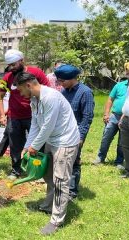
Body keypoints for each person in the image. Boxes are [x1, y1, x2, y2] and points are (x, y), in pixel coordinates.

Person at [15, 72, 80, 235]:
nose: (21, 94)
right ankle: (48, 206)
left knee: (60, 180)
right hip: (51, 140)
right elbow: (36, 125)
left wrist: (35, 147)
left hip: (65, 142)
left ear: (29, 85)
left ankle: (56, 220)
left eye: (21, 90)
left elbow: (47, 126)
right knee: (49, 176)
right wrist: (27, 145)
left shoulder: (50, 97)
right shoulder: (34, 100)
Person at [0, 49, 50, 178]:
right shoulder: (8, 76)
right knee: (15, 145)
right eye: (10, 65)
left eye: (14, 64)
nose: (11, 68)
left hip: (34, 116)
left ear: (21, 61)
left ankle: (37, 171)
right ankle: (16, 170)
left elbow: (47, 90)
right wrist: (2, 114)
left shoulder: (36, 72)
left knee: (37, 144)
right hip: (14, 117)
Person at [55, 64, 94, 199]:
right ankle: (62, 185)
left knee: (74, 161)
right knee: (63, 160)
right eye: (59, 81)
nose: (60, 84)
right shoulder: (64, 92)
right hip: (63, 132)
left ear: (72, 78)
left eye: (62, 81)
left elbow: (87, 116)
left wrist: (81, 137)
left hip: (76, 134)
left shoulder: (85, 92)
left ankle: (72, 191)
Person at [93, 78, 128, 168]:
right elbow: (110, 99)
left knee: (122, 141)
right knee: (106, 137)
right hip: (114, 116)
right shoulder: (119, 85)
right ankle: (100, 158)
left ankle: (119, 161)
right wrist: (106, 114)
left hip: (127, 118)